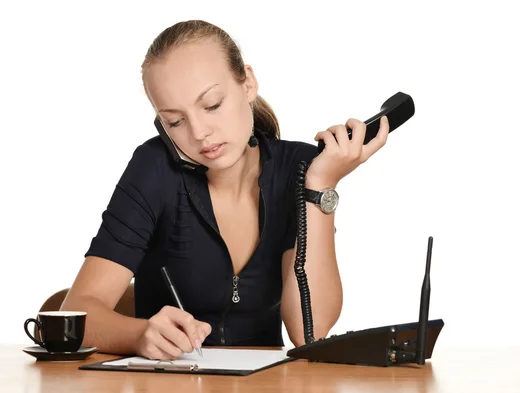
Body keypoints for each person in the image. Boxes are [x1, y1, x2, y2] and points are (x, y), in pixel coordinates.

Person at [60, 19, 389, 360]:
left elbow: (310, 332)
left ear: (247, 84)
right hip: (169, 385)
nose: (200, 132)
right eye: (175, 121)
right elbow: (78, 312)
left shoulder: (301, 170)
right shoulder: (154, 168)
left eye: (212, 105)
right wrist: (139, 334)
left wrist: (320, 188)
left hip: (264, 386)